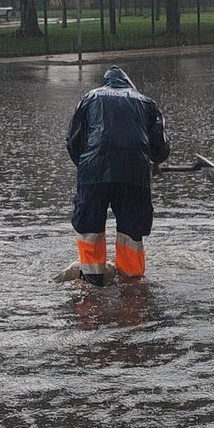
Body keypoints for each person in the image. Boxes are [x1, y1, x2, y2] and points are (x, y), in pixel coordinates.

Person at [67, 65, 170, 286]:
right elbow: (160, 146)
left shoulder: (90, 98)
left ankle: (92, 282)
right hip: (134, 174)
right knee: (131, 231)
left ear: (106, 83)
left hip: (93, 172)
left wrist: (85, 169)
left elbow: (74, 141)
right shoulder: (146, 102)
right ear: (129, 85)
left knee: (90, 227)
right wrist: (154, 161)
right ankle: (132, 284)